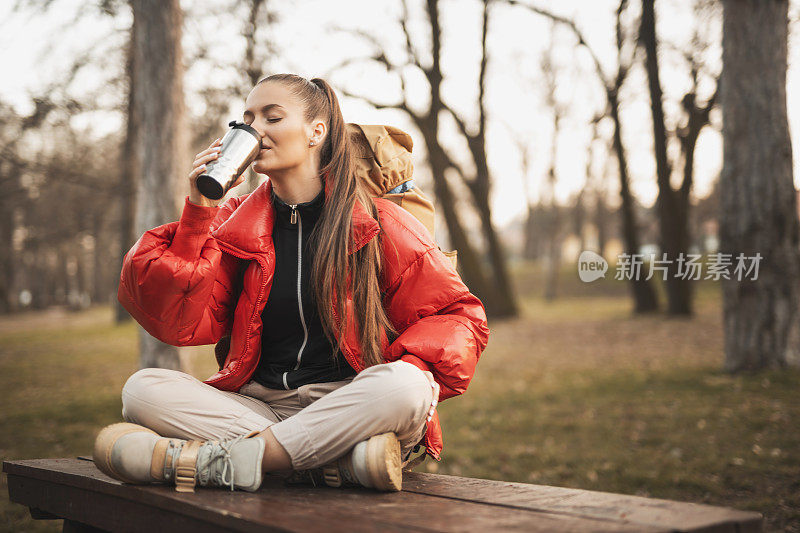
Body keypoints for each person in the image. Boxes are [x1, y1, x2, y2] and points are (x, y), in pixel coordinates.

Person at [93, 74, 490, 493]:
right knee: (143, 389)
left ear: (316, 131)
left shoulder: (378, 221)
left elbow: (459, 317)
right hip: (262, 406)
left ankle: (219, 462)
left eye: (272, 117)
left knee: (407, 386)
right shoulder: (233, 224)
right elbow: (176, 319)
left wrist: (403, 368)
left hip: (350, 403)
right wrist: (198, 211)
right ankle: (328, 462)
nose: (254, 129)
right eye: (246, 119)